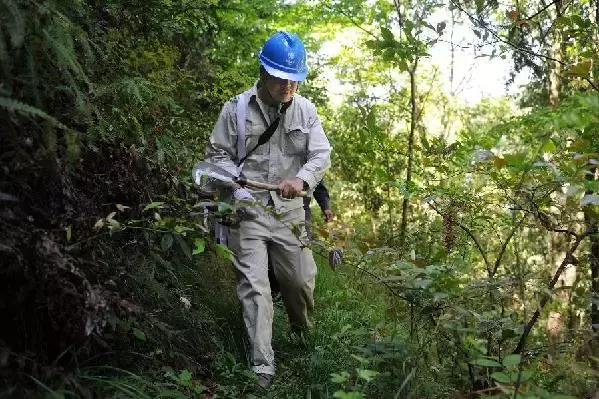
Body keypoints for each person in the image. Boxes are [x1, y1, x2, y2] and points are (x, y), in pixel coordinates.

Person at [202, 31, 331, 388]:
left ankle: (303, 333)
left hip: (289, 212)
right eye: (281, 77)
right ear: (263, 71)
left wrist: (303, 180)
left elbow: (320, 155)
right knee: (255, 286)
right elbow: (216, 157)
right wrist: (233, 183)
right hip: (249, 212)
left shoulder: (306, 110)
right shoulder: (235, 110)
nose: (288, 86)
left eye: (295, 79)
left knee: (300, 281)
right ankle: (263, 364)